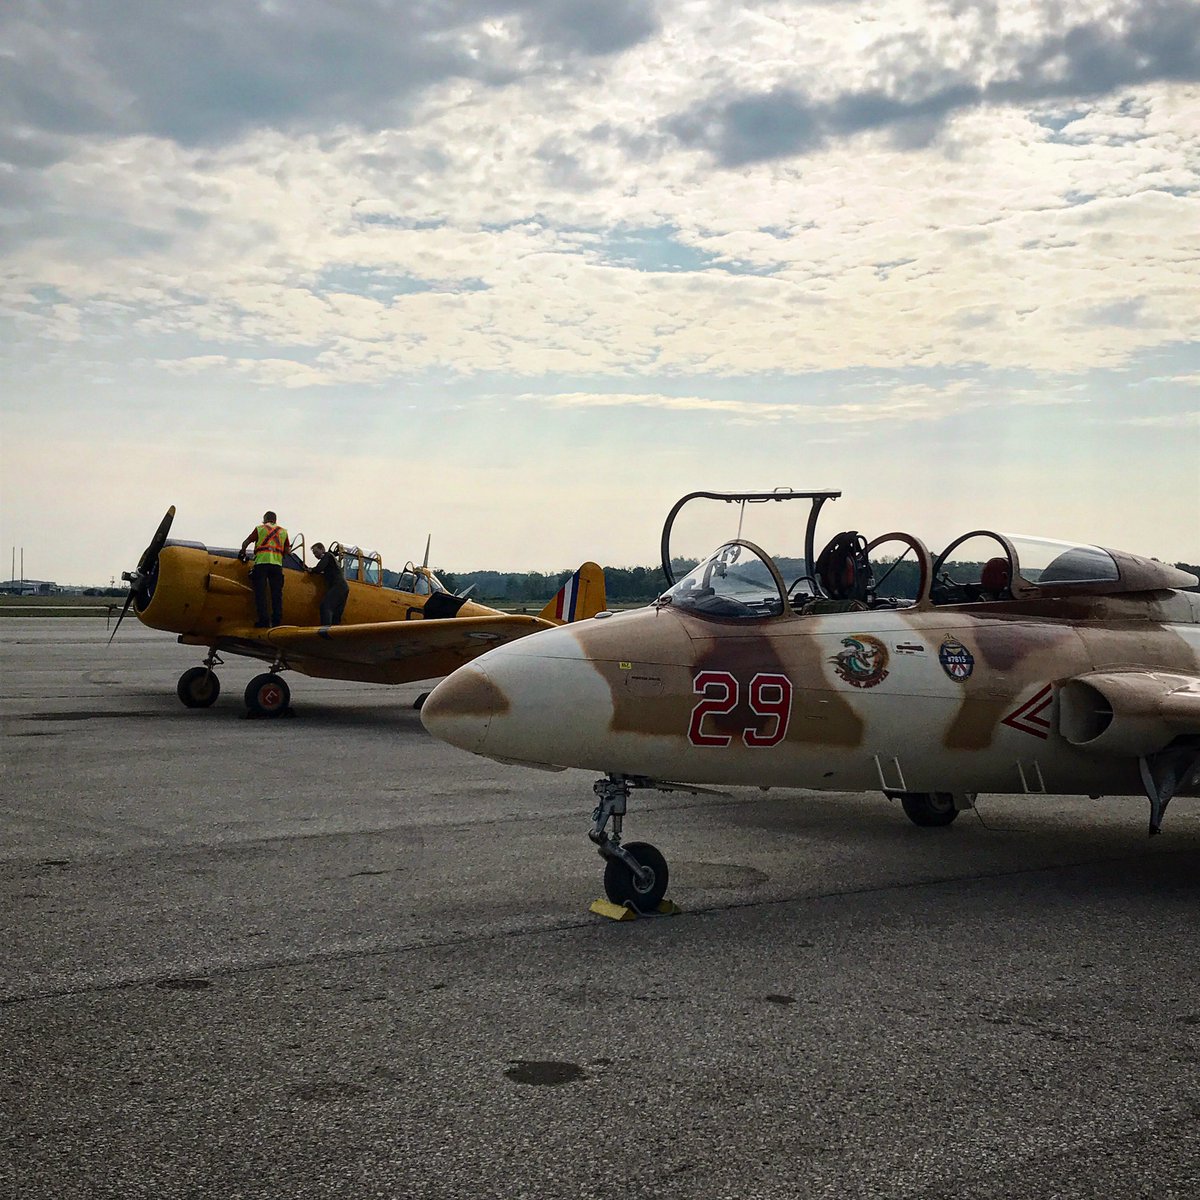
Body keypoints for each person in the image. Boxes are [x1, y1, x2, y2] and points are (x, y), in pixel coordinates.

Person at [239, 510, 291, 628]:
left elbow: (245, 543)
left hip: (261, 563)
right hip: (276, 566)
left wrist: (242, 553)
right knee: (276, 594)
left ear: (265, 519)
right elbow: (288, 551)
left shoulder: (260, 529)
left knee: (261, 594)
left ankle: (263, 621)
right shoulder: (283, 532)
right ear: (275, 520)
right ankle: (277, 621)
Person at [309, 542, 348, 626]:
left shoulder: (327, 556)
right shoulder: (331, 558)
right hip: (343, 587)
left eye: (316, 552)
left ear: (322, 549)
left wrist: (311, 570)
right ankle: (335, 634)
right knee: (336, 613)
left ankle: (326, 631)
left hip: (338, 586)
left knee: (325, 606)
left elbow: (319, 568)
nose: (315, 555)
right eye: (314, 553)